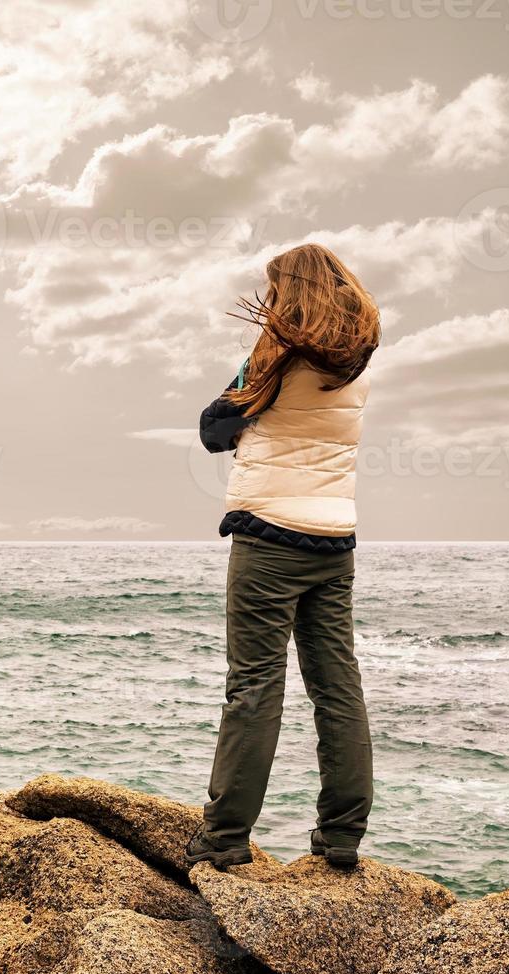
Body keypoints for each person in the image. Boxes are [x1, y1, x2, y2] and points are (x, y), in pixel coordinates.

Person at [185, 243, 381, 871]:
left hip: (269, 534)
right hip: (335, 538)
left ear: (288, 293)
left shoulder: (275, 354)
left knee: (253, 685)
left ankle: (224, 839)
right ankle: (342, 837)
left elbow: (215, 429)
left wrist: (243, 380)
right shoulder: (358, 360)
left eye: (274, 290)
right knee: (337, 686)